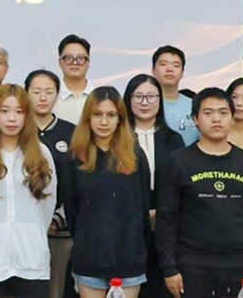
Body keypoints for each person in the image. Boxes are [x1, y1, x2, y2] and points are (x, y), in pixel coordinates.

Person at [156, 88, 243, 298]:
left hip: (241, 264)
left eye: (223, 112)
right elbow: (167, 219)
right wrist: (169, 267)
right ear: (195, 119)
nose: (216, 119)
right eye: (208, 113)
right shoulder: (177, 162)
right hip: (192, 265)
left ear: (232, 118)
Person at [0, 84, 58, 297]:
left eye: (19, 111)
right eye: (4, 111)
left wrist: (32, 233)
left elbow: (47, 205)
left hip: (31, 261)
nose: (11, 118)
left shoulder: (42, 153)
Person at [64, 87, 151, 298]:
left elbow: (143, 207)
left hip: (129, 257)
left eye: (111, 115)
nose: (104, 122)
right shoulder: (75, 157)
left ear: (120, 118)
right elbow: (71, 210)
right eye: (97, 114)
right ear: (88, 117)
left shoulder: (135, 155)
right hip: (90, 257)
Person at [123, 74, 185, 298]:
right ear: (128, 100)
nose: (145, 102)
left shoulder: (174, 139)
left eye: (151, 96)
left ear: (160, 100)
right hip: (128, 228)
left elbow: (180, 185)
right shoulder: (118, 139)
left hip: (166, 226)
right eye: (138, 96)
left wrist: (161, 213)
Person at [25, 70, 78, 298]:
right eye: (36, 92)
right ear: (26, 94)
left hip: (61, 231)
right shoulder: (17, 131)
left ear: (57, 95)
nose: (43, 97)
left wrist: (57, 218)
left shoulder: (72, 132)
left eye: (49, 92)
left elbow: (77, 182)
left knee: (57, 289)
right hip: (25, 229)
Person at [152, 45, 197, 145]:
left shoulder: (195, 106)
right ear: (153, 70)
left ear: (182, 73)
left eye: (176, 65)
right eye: (163, 64)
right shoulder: (144, 106)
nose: (169, 69)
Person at [54, 35, 94, 123]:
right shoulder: (51, 97)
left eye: (81, 58)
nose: (75, 63)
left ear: (88, 62)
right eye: (68, 58)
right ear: (60, 62)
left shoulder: (98, 96)